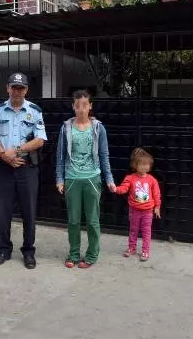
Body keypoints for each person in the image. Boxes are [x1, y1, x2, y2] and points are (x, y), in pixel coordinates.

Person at [0, 72, 47, 269]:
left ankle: (28, 251)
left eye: (21, 88)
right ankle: (3, 250)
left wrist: (17, 151)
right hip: (3, 166)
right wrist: (4, 155)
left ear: (26, 90)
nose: (17, 91)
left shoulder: (34, 111)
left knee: (29, 211)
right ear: (8, 88)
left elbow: (40, 139)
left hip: (26, 168)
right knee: (2, 211)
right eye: (14, 87)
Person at [56, 89, 115, 269]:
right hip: (72, 178)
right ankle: (73, 253)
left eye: (85, 105)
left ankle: (91, 254)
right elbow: (60, 156)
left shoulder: (98, 128)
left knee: (92, 220)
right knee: (73, 220)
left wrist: (109, 179)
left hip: (92, 178)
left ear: (90, 106)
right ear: (73, 106)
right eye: (78, 105)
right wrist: (60, 178)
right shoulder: (66, 127)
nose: (81, 109)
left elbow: (104, 155)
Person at [115, 148, 161, 262]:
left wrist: (157, 207)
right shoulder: (130, 178)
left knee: (146, 231)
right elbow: (124, 188)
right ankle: (132, 248)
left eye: (147, 164)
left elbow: (156, 194)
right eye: (142, 164)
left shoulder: (152, 180)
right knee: (133, 230)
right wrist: (115, 189)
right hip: (134, 210)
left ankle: (145, 251)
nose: (145, 167)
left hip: (147, 211)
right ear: (135, 165)